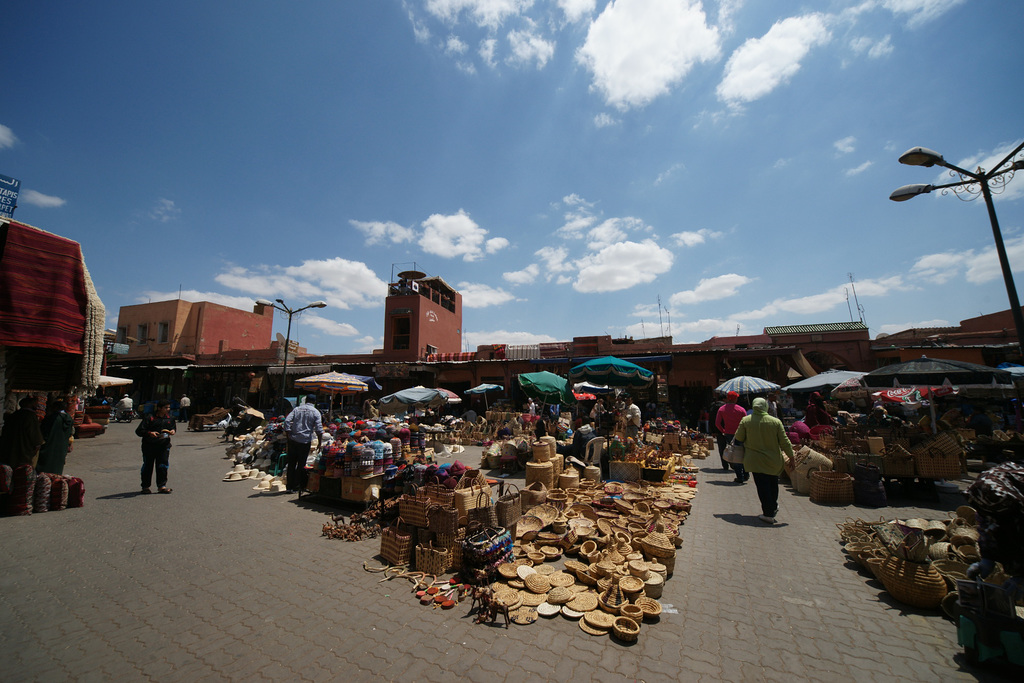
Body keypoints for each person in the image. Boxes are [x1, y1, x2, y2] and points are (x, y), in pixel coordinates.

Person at [734, 397, 794, 524]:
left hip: (755, 460)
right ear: (765, 407)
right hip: (773, 460)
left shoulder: (746, 421)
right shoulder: (775, 422)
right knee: (773, 484)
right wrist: (792, 457)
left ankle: (768, 513)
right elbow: (785, 442)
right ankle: (773, 506)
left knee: (762, 487)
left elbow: (739, 437)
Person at [283, 394, 323, 493]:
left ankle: (289, 486)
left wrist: (288, 435)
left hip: (293, 440)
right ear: (314, 402)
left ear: (305, 401)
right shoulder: (316, 412)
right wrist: (319, 442)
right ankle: (297, 487)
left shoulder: (296, 409)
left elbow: (287, 421)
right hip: (305, 441)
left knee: (291, 463)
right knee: (301, 464)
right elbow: (319, 429)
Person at [136, 399, 176, 493]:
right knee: (148, 466)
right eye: (165, 407)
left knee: (163, 465)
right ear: (159, 408)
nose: (168, 409)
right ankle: (145, 487)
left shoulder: (170, 418)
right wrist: (150, 433)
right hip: (149, 446)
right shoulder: (150, 417)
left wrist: (172, 431)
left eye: (169, 407)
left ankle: (162, 486)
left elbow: (173, 428)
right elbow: (139, 431)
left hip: (164, 445)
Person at [0, 396, 44, 469]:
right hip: (24, 452)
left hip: (10, 450)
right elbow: (36, 437)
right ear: (30, 404)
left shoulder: (15, 415)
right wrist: (37, 446)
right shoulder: (31, 416)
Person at [715, 391, 748, 479]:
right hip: (741, 433)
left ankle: (739, 476)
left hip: (728, 434)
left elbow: (717, 423)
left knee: (735, 454)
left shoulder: (722, 409)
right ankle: (746, 474)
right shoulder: (741, 409)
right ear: (735, 399)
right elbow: (746, 422)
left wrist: (723, 431)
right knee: (743, 453)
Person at [37, 399, 74, 475]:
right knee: (57, 467)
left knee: (46, 467)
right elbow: (70, 433)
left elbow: (44, 432)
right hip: (62, 447)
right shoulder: (68, 418)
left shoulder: (51, 418)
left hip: (49, 446)